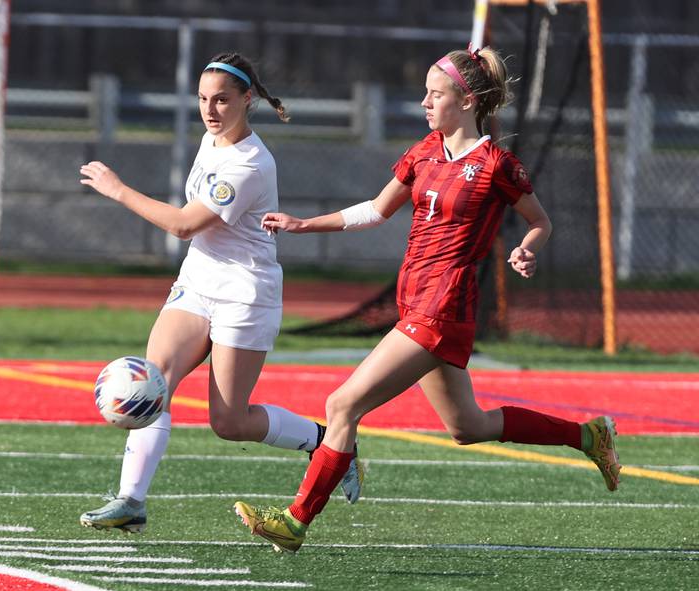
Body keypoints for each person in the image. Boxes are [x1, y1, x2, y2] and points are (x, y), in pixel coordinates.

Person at [233, 45, 621, 553]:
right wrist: (305, 224)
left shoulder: (496, 163)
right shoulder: (424, 151)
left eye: (434, 95)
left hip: (443, 307)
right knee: (469, 426)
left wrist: (527, 249)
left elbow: (541, 222)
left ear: (465, 101)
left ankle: (295, 521)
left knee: (342, 404)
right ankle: (589, 436)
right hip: (417, 302)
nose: (425, 103)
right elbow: (375, 210)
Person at [78, 52, 364, 533]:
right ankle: (131, 501)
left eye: (222, 100)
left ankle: (328, 442)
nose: (211, 110)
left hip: (244, 293)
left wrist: (119, 190)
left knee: (229, 422)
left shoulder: (250, 163)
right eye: (203, 100)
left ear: (247, 99)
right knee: (155, 383)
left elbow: (185, 225)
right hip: (198, 282)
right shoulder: (212, 140)